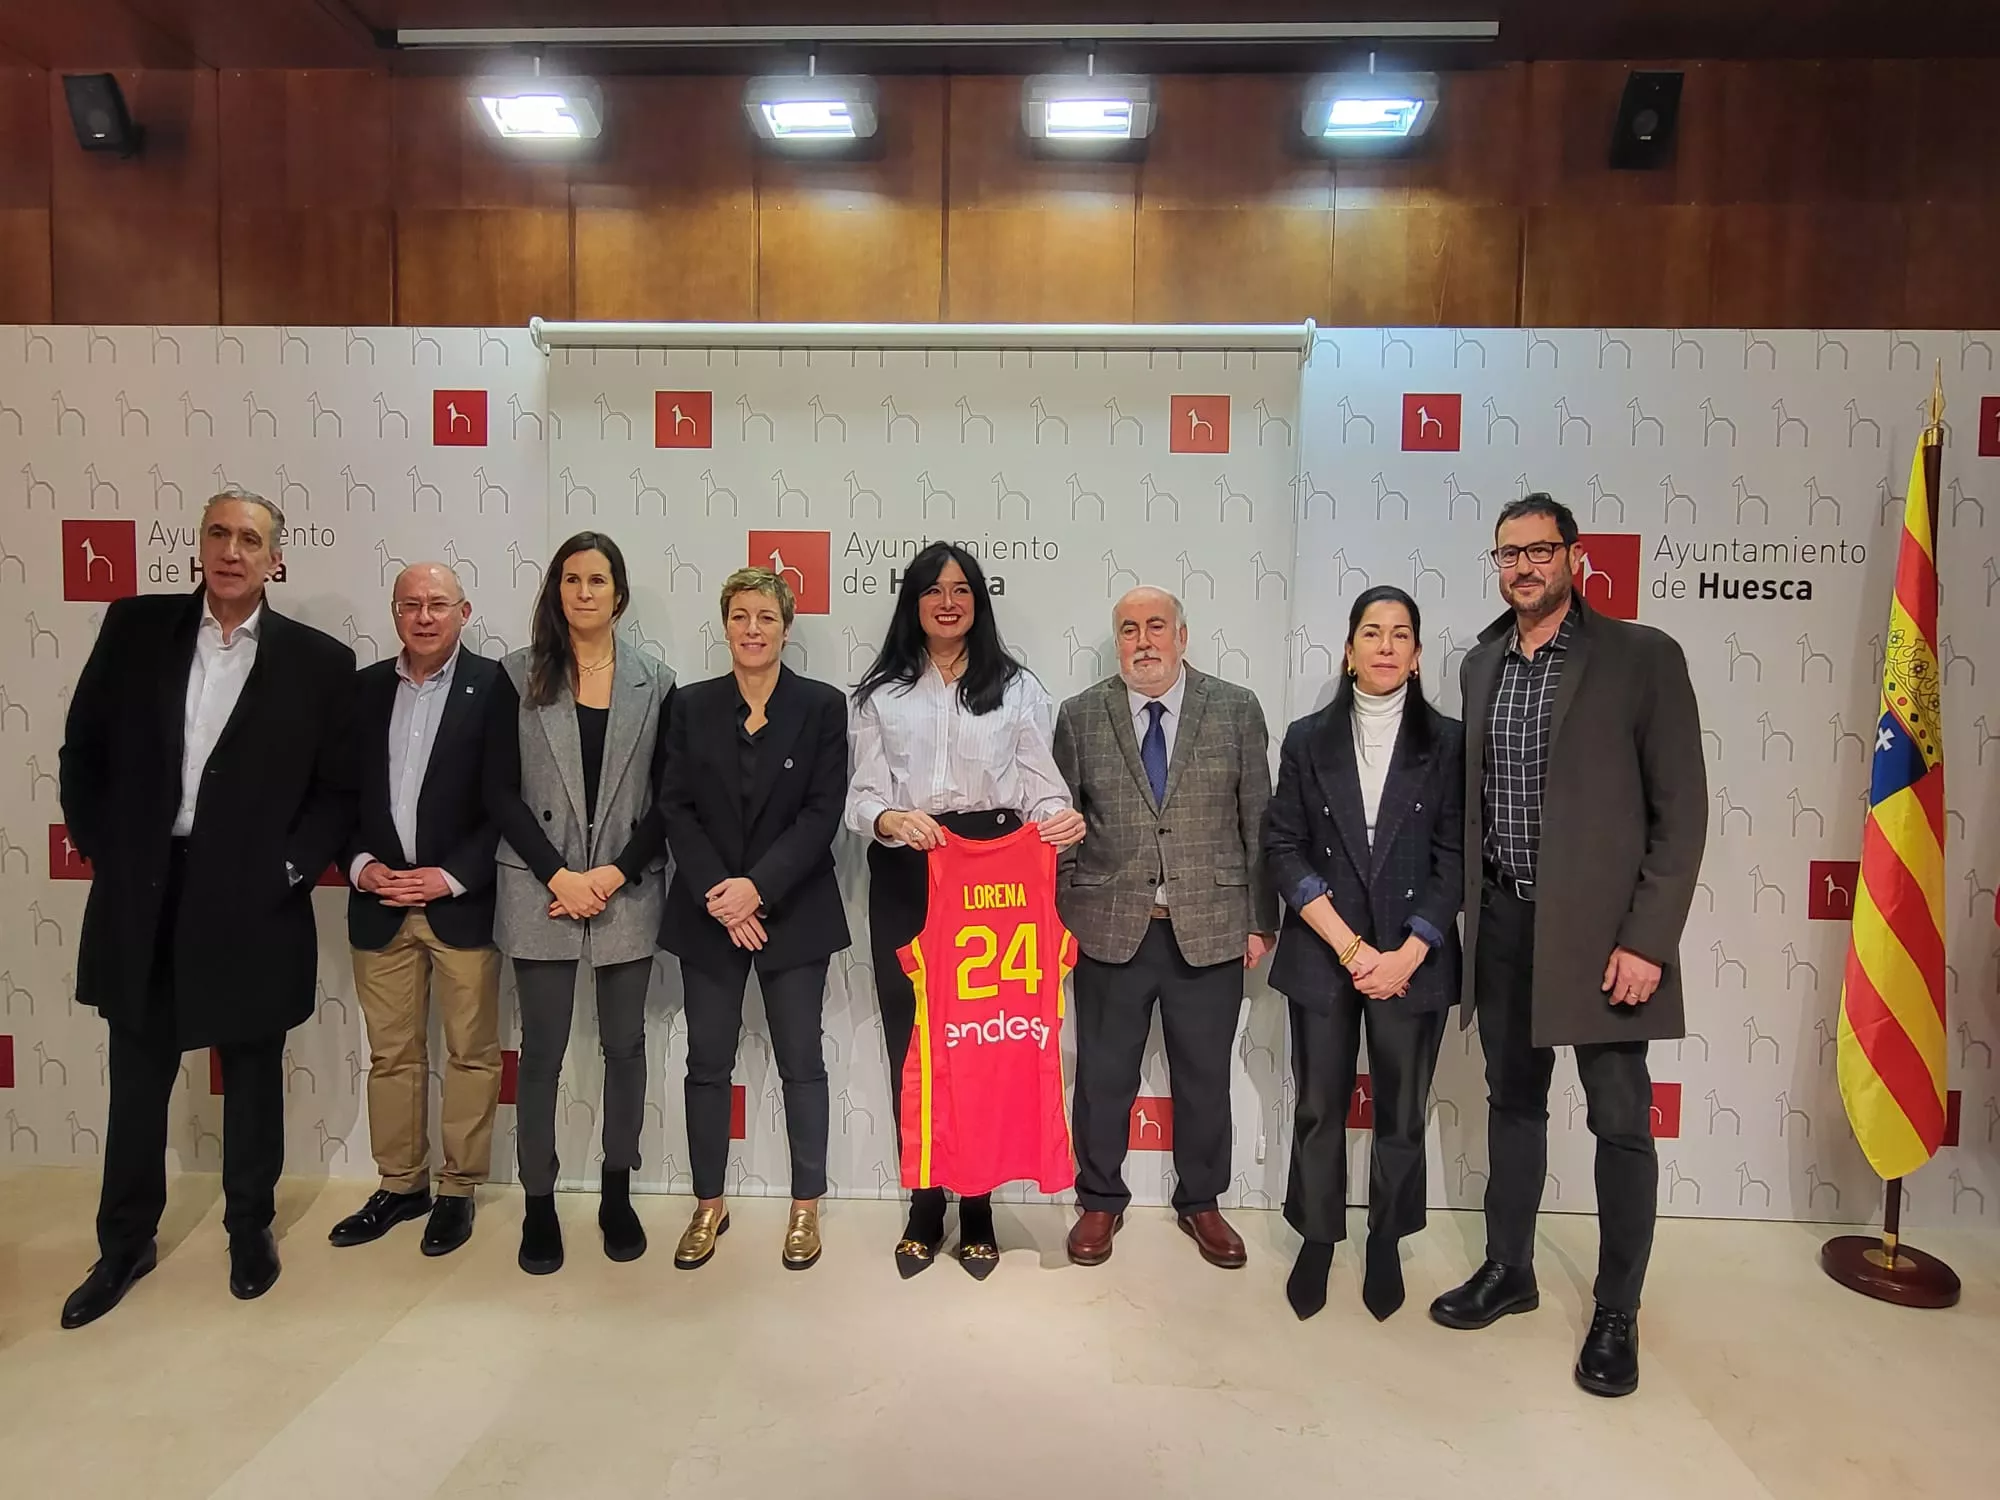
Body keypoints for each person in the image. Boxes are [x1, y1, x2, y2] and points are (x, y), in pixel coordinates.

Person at [56, 489, 356, 1327]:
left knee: (253, 1069)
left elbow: (336, 791)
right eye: (218, 533)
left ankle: (249, 1229)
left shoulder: (319, 663)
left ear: (275, 559)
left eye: (250, 539)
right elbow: (83, 751)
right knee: (138, 1071)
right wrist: (106, 848)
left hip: (255, 895)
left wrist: (292, 869)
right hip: (146, 886)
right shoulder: (134, 628)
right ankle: (124, 1244)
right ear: (198, 544)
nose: (231, 550)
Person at [1429, 493, 1706, 1399]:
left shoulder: (1642, 656)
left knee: (1622, 1122)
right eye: (1508, 553)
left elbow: (1681, 816)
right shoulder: (1480, 665)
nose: (1523, 566)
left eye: (1540, 550)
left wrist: (1648, 941)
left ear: (1574, 558)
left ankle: (1618, 1309)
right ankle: (1510, 1269)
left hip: (1606, 939)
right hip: (1504, 922)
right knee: (1514, 1104)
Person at [845, 541, 1085, 1279]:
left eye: (961, 590)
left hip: (993, 877)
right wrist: (888, 821)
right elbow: (860, 795)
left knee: (982, 1041)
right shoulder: (879, 693)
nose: (948, 602)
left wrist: (1061, 815)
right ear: (911, 602)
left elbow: (1042, 785)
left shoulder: (1016, 687)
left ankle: (976, 1203)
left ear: (979, 601)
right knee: (915, 1041)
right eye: (932, 590)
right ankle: (925, 1201)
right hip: (911, 870)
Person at [1053, 587, 1277, 1271]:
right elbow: (1058, 823)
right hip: (1108, 927)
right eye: (1129, 629)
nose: (1143, 640)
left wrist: (1260, 920)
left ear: (1183, 635)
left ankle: (1202, 1202)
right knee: (1103, 1075)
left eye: (1156, 627)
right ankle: (1099, 1199)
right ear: (1116, 639)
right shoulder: (1080, 716)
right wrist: (1065, 913)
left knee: (1205, 1076)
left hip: (1210, 928)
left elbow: (1259, 823)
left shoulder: (1236, 708)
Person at [1262, 585, 1464, 1322]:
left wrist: (1408, 953)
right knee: (1319, 1104)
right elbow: (1282, 847)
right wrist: (1351, 947)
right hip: (1326, 952)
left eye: (1400, 634)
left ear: (1415, 656)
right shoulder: (1307, 738)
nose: (1385, 645)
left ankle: (1385, 1237)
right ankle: (1318, 1236)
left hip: (1416, 955)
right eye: (1371, 633)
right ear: (1348, 651)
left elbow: (1455, 860)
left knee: (1401, 1110)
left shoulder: (1448, 743)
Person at [488, 532, 675, 1275]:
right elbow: (497, 791)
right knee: (540, 1055)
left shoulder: (655, 682)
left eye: (598, 580)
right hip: (540, 890)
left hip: (624, 891)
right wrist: (559, 876)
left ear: (619, 594)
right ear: (555, 591)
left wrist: (612, 874)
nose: (585, 592)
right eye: (572, 579)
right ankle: (538, 1204)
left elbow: (667, 799)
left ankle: (616, 1190)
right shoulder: (516, 676)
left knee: (625, 1050)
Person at [658, 568, 849, 1272]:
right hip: (710, 913)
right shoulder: (690, 705)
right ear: (726, 624)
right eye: (740, 616)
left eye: (765, 617)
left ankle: (806, 1205)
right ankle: (709, 1203)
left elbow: (822, 813)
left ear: (786, 628)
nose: (752, 629)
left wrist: (757, 891)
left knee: (803, 1062)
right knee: (706, 1063)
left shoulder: (823, 707)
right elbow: (675, 806)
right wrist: (722, 893)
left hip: (792, 910)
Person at [330, 563, 511, 1259]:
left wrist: (451, 875)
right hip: (378, 904)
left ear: (464, 612)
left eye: (438, 604)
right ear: (395, 612)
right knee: (392, 1056)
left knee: (470, 1054)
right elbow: (336, 795)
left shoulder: (496, 686)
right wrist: (359, 866)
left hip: (460, 905)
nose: (424, 616)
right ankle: (400, 1186)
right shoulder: (364, 689)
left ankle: (458, 1190)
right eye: (411, 604)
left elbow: (509, 797)